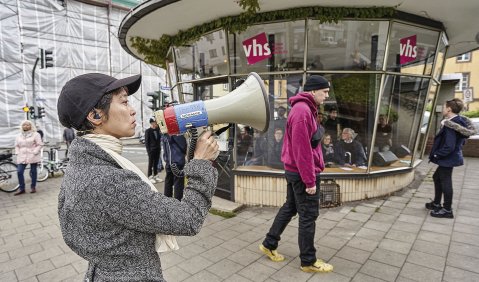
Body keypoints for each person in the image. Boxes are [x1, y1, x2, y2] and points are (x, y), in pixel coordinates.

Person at [56, 73, 219, 281]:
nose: (132, 110)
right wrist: (202, 163)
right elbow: (188, 219)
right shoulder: (109, 180)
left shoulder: (81, 166)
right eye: (124, 102)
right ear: (95, 115)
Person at [259, 75, 334, 273]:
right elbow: (302, 151)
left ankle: (269, 243)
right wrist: (310, 181)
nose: (327, 95)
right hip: (303, 174)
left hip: (295, 171)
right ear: (312, 91)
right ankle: (308, 261)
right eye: (324, 91)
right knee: (308, 215)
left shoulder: (306, 108)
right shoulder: (302, 112)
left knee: (290, 207)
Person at [427, 98, 477, 218]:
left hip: (447, 158)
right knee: (437, 177)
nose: (443, 109)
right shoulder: (457, 121)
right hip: (450, 157)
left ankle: (447, 210)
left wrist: (437, 154)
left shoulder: (451, 125)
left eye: (444, 107)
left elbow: (449, 146)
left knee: (445, 182)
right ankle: (437, 203)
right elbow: (462, 140)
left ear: (449, 109)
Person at [14, 120, 43, 195]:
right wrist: (17, 152)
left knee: (33, 172)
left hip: (32, 155)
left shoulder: (36, 134)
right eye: (24, 125)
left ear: (31, 126)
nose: (26, 126)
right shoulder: (18, 135)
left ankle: (33, 187)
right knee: (19, 171)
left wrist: (35, 152)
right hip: (22, 156)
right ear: (22, 126)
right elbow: (16, 145)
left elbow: (40, 144)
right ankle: (22, 188)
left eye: (27, 125)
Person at [162, 133, 187, 200]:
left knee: (168, 181)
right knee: (178, 183)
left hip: (169, 161)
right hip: (177, 160)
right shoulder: (176, 133)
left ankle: (167, 200)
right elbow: (183, 146)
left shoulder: (164, 134)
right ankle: (178, 202)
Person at [145, 117, 163, 184]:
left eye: (156, 123)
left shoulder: (158, 130)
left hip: (158, 149)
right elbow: (147, 143)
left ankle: (155, 176)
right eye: (155, 123)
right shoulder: (148, 131)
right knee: (150, 164)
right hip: (151, 150)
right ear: (152, 123)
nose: (156, 124)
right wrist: (148, 151)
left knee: (156, 163)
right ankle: (149, 176)